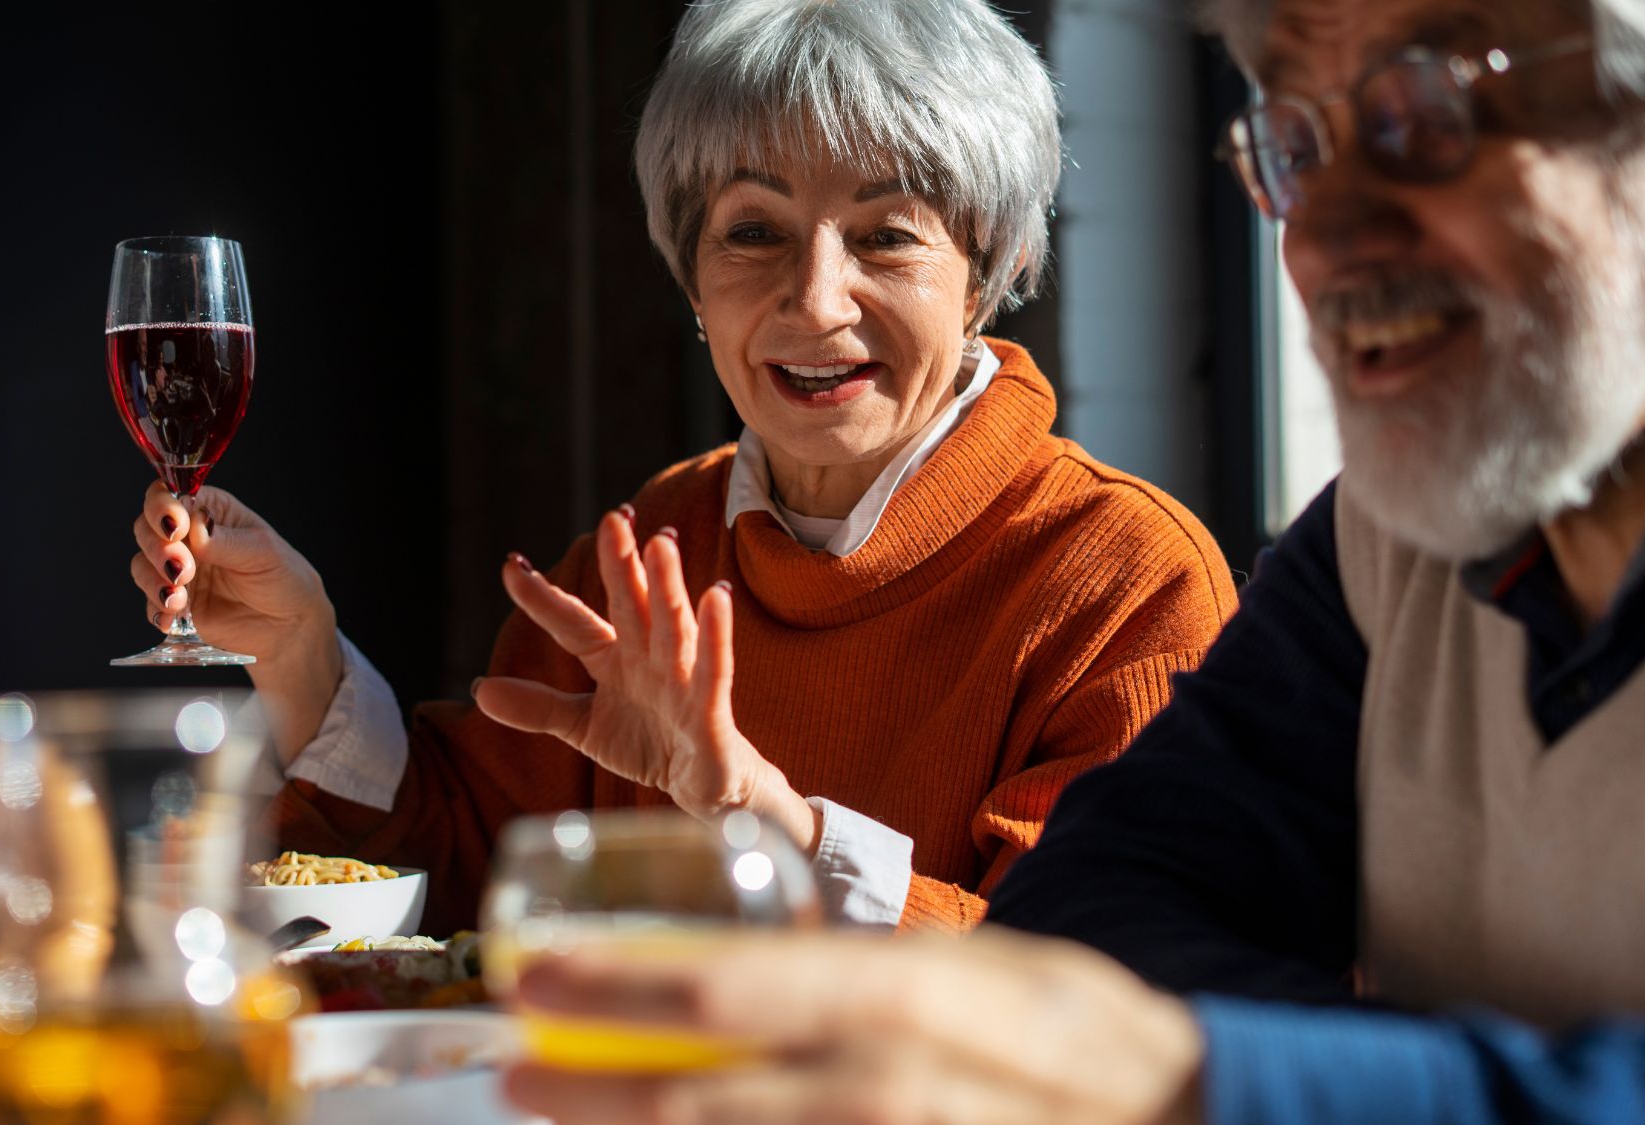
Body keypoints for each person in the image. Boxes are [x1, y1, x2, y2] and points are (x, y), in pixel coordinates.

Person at [495, 0, 1645, 1120]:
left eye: (1429, 116)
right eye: (1298, 151)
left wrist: (1191, 1075)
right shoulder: (1388, 543)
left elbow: (1093, 1013)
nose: (1319, 244)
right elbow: (1103, 912)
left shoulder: (1133, 561)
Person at [129, 0, 1233, 935]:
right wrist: (301, 650)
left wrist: (761, 815)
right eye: (752, 232)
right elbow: (459, 879)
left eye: (887, 234)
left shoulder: (1129, 580)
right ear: (690, 276)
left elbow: (1091, 1000)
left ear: (988, 271)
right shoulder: (652, 539)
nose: (814, 299)